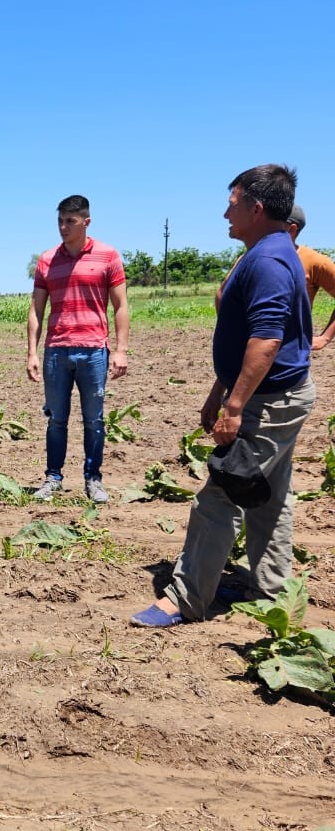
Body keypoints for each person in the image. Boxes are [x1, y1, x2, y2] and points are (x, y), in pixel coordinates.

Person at [131, 164, 314, 627]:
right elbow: (244, 338)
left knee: (219, 496)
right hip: (275, 395)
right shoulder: (269, 250)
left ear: (255, 208)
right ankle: (269, 588)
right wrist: (221, 388)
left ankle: (185, 599)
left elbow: (267, 340)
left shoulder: (269, 261)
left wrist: (235, 406)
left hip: (266, 403)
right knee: (269, 496)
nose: (224, 213)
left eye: (231, 203)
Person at [27, 195, 129, 504]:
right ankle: (53, 477)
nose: (63, 227)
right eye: (59, 221)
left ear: (86, 222)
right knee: (56, 419)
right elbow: (36, 309)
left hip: (93, 351)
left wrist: (121, 350)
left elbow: (121, 305)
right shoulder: (47, 260)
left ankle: (93, 478)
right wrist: (31, 351)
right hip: (56, 351)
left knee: (94, 420)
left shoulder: (108, 256)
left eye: (70, 221)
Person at [217, 205, 335, 352]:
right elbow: (221, 296)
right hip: (248, 347)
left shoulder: (315, 261)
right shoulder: (248, 257)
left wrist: (325, 338)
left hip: (288, 355)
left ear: (292, 230)